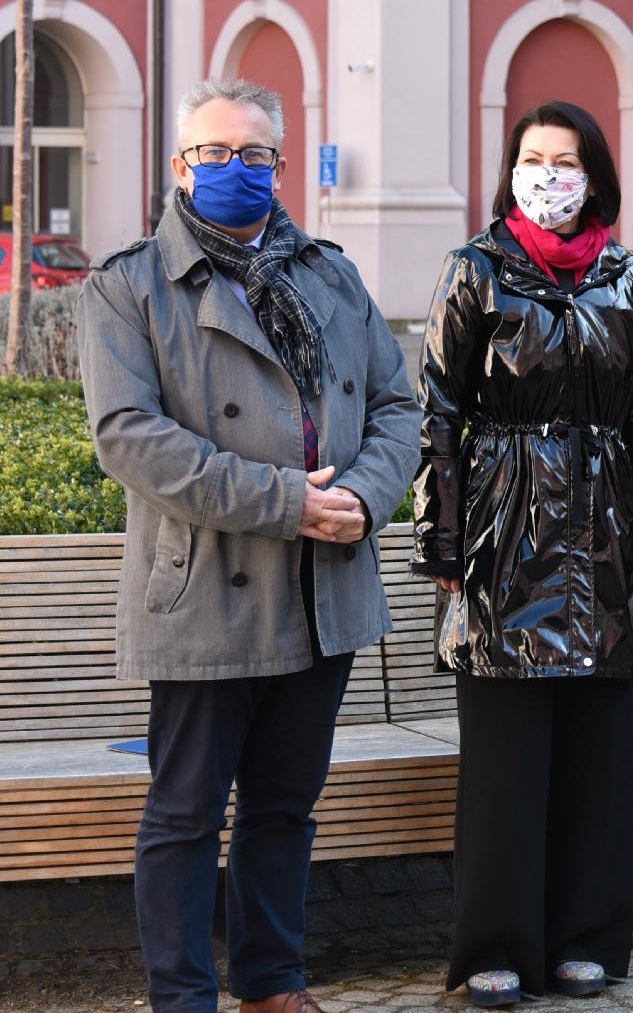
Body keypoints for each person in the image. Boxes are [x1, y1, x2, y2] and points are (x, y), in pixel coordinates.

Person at [80, 77, 420, 1013]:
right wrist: (284, 502)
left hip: (325, 582)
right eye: (214, 153)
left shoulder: (330, 274)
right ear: (180, 166)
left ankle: (273, 981)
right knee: (186, 814)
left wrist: (362, 494)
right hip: (205, 591)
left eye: (256, 154)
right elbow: (130, 438)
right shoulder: (127, 285)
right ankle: (182, 997)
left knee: (283, 806)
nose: (236, 169)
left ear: (280, 162)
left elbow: (397, 405)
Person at [411, 100, 633, 1007]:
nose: (550, 175)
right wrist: (441, 537)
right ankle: (495, 945)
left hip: (602, 537)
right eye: (534, 158)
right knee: (507, 759)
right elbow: (438, 413)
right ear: (513, 169)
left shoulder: (624, 276)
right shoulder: (476, 271)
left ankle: (585, 938)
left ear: (595, 177)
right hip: (502, 534)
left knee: (596, 752)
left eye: (567, 161)